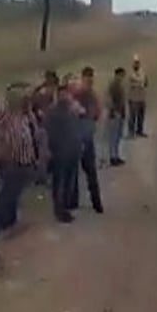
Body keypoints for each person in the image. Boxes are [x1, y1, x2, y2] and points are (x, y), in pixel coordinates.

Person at [0, 83, 36, 235]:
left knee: (14, 193)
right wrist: (1, 136)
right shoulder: (3, 111)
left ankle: (11, 222)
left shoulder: (23, 112)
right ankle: (1, 225)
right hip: (11, 159)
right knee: (8, 193)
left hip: (24, 159)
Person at [44, 84, 84, 223]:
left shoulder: (72, 109)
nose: (64, 97)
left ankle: (65, 207)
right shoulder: (52, 112)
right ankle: (60, 210)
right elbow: (47, 133)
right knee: (60, 182)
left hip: (72, 150)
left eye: (66, 94)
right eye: (61, 94)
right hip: (59, 152)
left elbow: (77, 128)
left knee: (68, 181)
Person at [68, 66, 104, 214]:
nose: (90, 81)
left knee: (81, 171)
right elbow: (97, 113)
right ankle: (94, 202)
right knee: (86, 171)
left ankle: (77, 201)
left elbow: (97, 113)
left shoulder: (78, 92)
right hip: (81, 137)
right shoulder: (84, 92)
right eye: (89, 79)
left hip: (79, 136)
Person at [107, 67, 127, 166]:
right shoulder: (114, 86)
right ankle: (113, 157)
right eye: (122, 75)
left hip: (120, 113)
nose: (123, 77)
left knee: (117, 136)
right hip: (115, 114)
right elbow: (111, 100)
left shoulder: (118, 85)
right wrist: (114, 111)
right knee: (114, 137)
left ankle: (116, 155)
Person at [127, 55, 149, 138]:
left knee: (141, 116)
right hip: (133, 98)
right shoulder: (131, 74)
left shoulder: (143, 73)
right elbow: (131, 83)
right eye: (135, 64)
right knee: (132, 116)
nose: (136, 65)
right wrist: (139, 83)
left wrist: (142, 83)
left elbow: (146, 83)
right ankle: (131, 132)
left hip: (141, 97)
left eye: (137, 63)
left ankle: (139, 131)